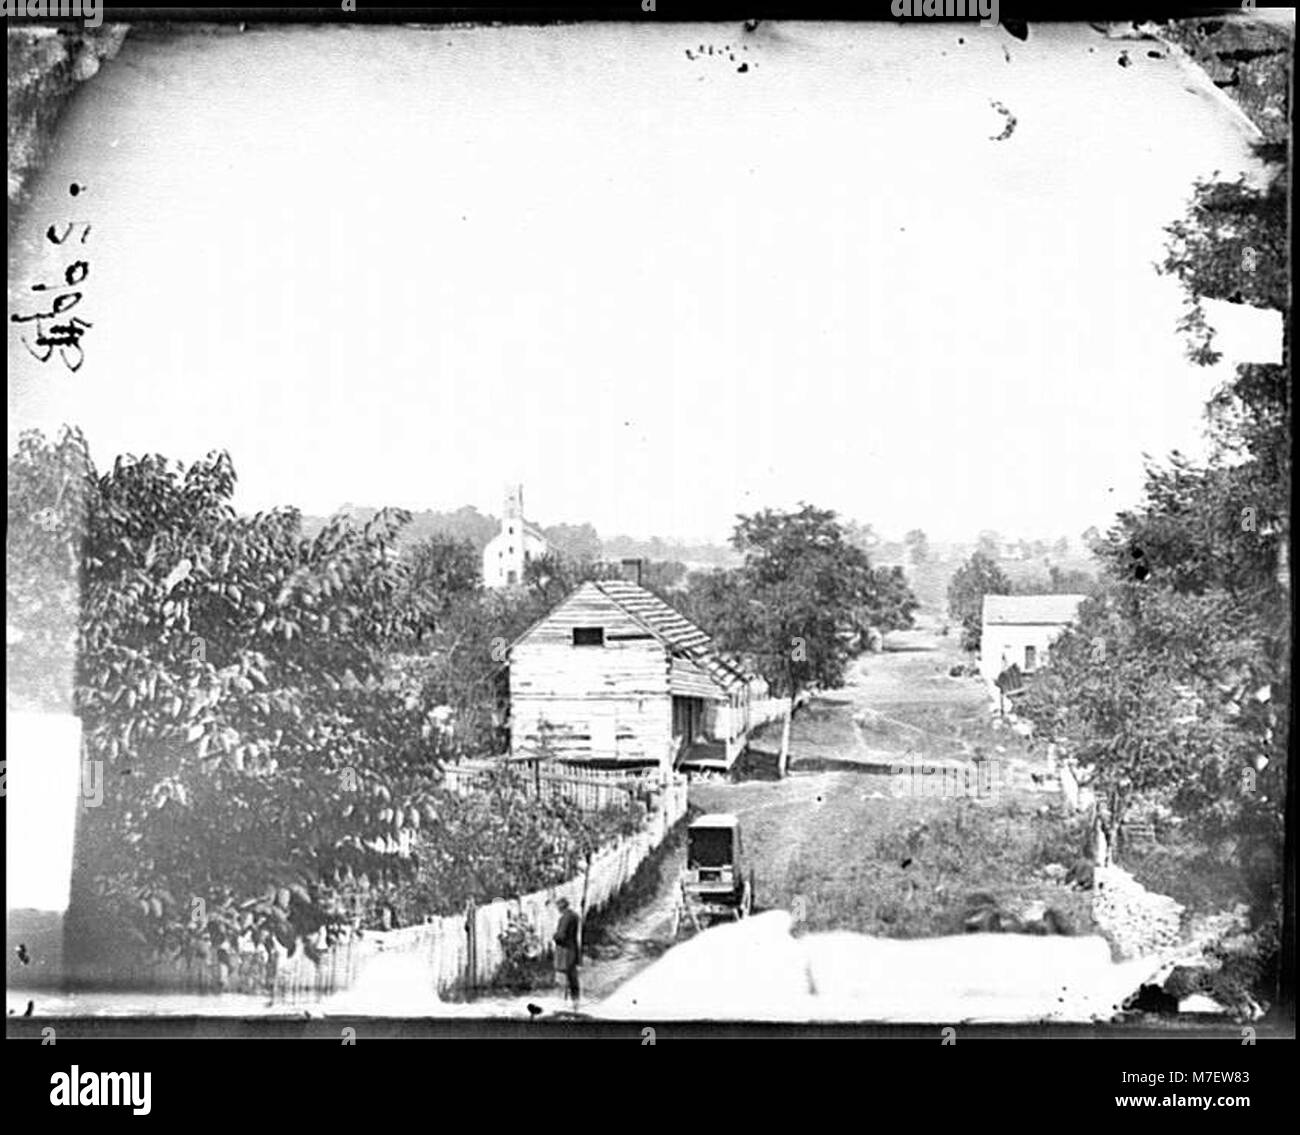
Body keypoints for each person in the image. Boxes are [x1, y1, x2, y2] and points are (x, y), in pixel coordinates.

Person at [552, 896, 581, 1005]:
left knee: (562, 978)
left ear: (561, 906)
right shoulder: (574, 916)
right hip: (573, 949)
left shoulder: (564, 918)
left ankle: (562, 1002)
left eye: (558, 906)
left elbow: (561, 936)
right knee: (573, 977)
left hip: (564, 951)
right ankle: (576, 1001)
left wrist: (554, 936)